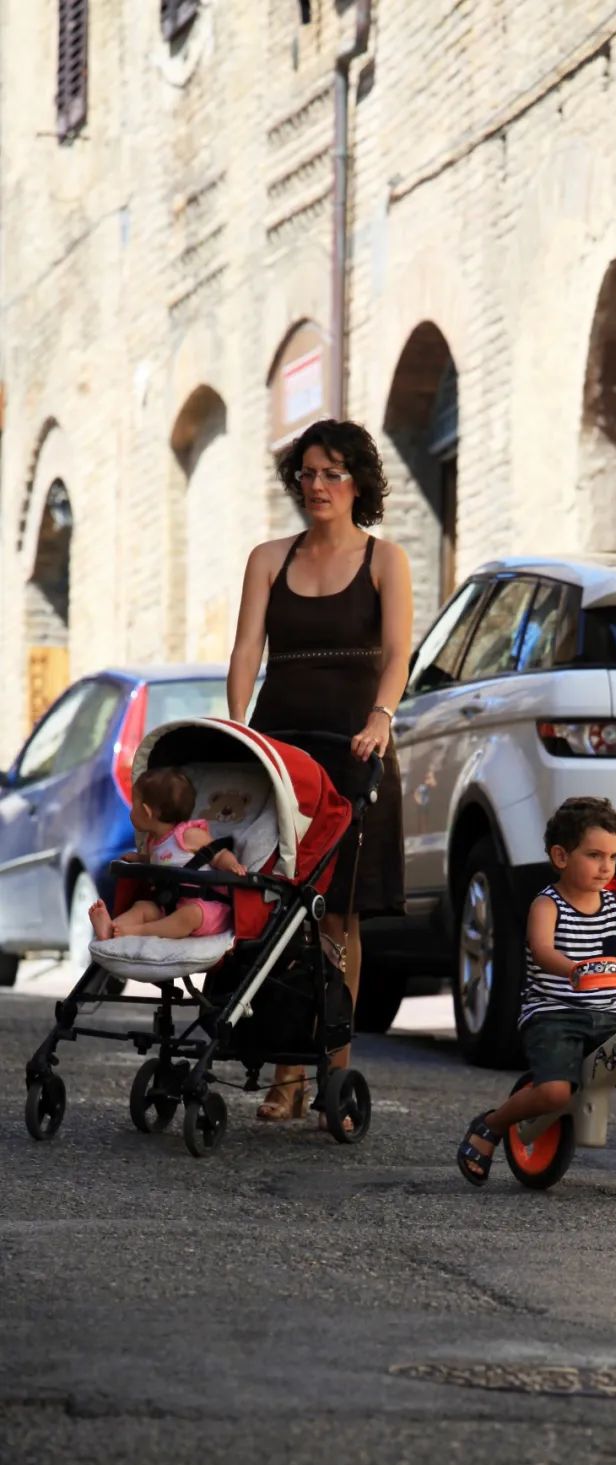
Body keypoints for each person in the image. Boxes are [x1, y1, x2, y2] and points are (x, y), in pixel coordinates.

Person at [227, 418, 412, 1124]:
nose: (317, 485)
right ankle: (284, 1068)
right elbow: (246, 650)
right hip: (282, 748)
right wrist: (238, 727)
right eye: (307, 472)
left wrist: (381, 719)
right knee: (279, 906)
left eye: (332, 473)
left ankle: (330, 1069)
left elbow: (397, 654)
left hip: (355, 748)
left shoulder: (385, 559)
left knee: (338, 914)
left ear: (358, 482)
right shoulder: (268, 559)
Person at [456, 796, 616, 1185]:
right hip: (553, 1014)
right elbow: (542, 949)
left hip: (604, 1014)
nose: (606, 867)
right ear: (561, 856)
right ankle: (491, 1125)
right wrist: (573, 969)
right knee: (555, 1094)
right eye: (594, 855)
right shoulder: (548, 905)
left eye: (613, 857)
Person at [89, 767, 245, 941]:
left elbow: (218, 854)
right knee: (142, 907)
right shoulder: (153, 842)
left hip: (205, 908)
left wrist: (232, 865)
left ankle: (137, 931)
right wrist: (140, 859)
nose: (131, 811)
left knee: (189, 916)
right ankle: (110, 930)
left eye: (134, 805)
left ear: (146, 812)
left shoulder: (187, 835)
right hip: (169, 906)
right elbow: (160, 862)